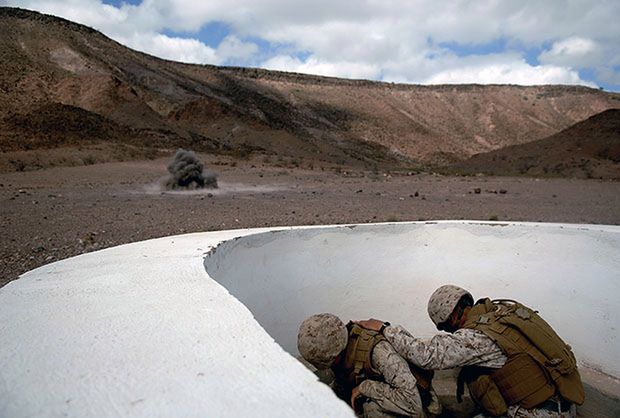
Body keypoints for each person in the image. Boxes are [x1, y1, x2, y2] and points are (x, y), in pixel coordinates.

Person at [356, 285, 585, 418]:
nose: (449, 331)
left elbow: (425, 355)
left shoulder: (477, 337)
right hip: (562, 402)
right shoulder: (503, 311)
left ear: (453, 316)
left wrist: (385, 329)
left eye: (445, 327)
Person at [297, 313, 442, 417]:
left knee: (371, 408)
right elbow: (343, 381)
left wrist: (364, 387)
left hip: (423, 406)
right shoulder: (342, 346)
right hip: (395, 396)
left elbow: (412, 405)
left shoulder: (379, 352)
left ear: (334, 357)